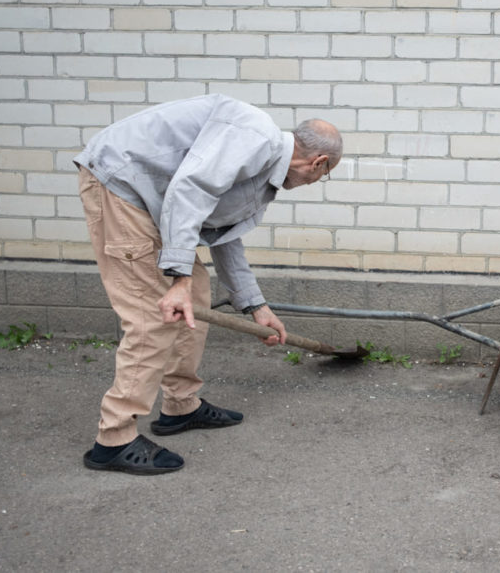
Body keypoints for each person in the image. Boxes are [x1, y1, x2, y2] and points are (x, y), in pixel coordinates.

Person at [73, 94, 342, 475]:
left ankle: (180, 406)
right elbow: (190, 190)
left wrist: (255, 307)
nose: (317, 181)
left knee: (195, 295)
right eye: (324, 175)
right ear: (318, 163)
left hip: (147, 201)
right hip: (121, 188)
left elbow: (218, 232)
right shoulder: (256, 137)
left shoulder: (260, 166)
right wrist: (177, 278)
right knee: (155, 314)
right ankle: (113, 439)